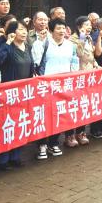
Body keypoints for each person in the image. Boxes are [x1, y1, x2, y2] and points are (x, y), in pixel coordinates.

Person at [0, 19, 35, 168]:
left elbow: (31, 67)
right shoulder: (7, 47)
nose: (24, 32)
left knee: (20, 123)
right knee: (7, 125)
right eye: (20, 29)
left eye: (25, 29)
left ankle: (15, 156)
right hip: (8, 94)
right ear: (12, 32)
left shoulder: (27, 47)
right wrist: (8, 43)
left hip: (24, 94)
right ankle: (3, 159)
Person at [33, 18, 78, 158]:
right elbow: (36, 61)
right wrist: (39, 43)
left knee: (59, 113)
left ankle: (53, 143)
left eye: (63, 28)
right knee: (44, 116)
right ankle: (42, 145)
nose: (62, 31)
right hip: (46, 87)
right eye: (58, 28)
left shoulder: (70, 45)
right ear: (51, 30)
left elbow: (74, 63)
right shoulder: (43, 43)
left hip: (63, 86)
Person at [68, 16, 96, 144]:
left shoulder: (89, 38)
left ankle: (81, 132)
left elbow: (91, 56)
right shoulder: (72, 39)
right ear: (79, 27)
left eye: (90, 25)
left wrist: (96, 64)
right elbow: (79, 54)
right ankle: (69, 135)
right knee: (73, 105)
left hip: (88, 76)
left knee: (84, 104)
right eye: (86, 25)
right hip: (77, 77)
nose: (89, 27)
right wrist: (82, 38)